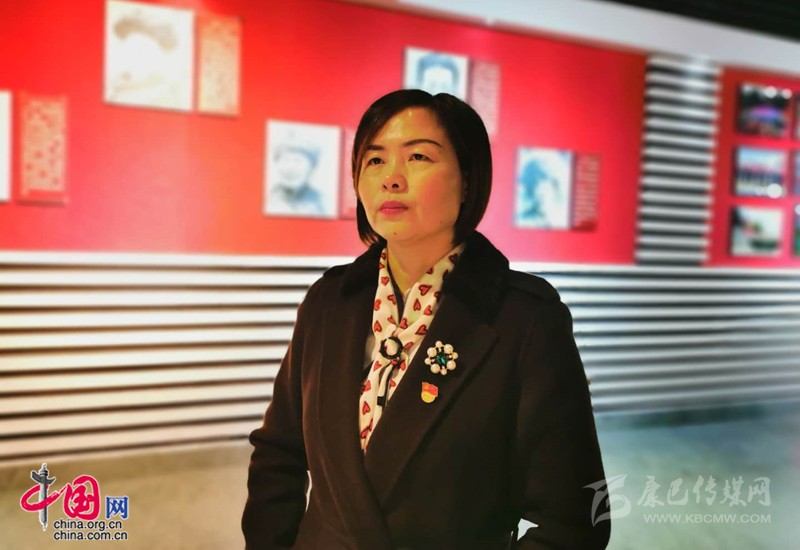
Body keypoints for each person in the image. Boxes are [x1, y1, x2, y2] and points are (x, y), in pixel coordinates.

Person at [242, 89, 610, 549]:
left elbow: (573, 523)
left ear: (468, 180)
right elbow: (279, 452)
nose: (391, 178)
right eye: (375, 160)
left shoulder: (526, 320)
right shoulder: (328, 301)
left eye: (418, 157)